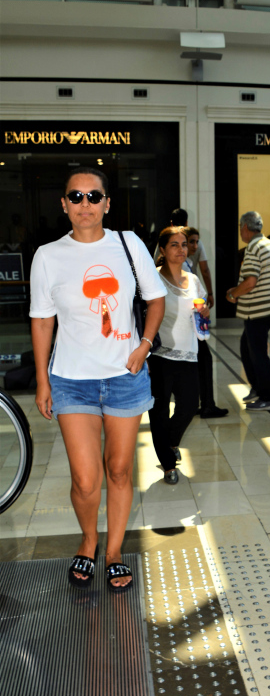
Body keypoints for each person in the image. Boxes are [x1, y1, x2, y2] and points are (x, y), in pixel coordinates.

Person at [30, 167, 166, 592]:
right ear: (64, 204)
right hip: (72, 380)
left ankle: (113, 552)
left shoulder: (129, 244)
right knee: (86, 479)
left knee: (120, 470)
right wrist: (42, 380)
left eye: (93, 196)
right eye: (76, 196)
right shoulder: (48, 256)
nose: (84, 204)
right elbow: (42, 321)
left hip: (125, 376)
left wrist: (145, 344)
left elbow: (156, 298)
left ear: (107, 203)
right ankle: (89, 541)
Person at [148, 226, 210, 484]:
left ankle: (170, 442)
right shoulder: (152, 279)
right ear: (162, 249)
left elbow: (202, 307)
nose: (181, 249)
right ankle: (167, 464)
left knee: (189, 407)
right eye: (174, 244)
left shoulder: (193, 280)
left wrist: (204, 311)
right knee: (159, 411)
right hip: (160, 355)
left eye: (184, 244)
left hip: (189, 353)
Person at [226, 211, 270, 411]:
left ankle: (268, 397)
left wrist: (233, 294)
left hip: (258, 309)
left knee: (257, 353)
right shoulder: (268, 244)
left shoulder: (253, 247)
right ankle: (258, 388)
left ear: (245, 227)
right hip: (269, 307)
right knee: (247, 347)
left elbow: (250, 282)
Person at [185, 226, 228, 418]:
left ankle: (201, 404)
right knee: (202, 361)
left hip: (191, 322)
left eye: (196, 242)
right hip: (188, 323)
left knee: (200, 362)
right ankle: (206, 405)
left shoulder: (186, 264)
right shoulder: (181, 266)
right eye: (191, 242)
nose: (195, 246)